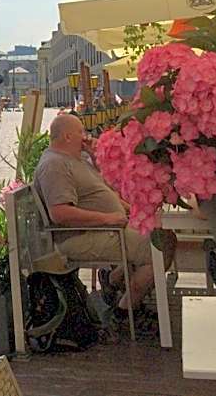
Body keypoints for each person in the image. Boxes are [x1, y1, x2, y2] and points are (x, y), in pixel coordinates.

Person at [34, 114, 174, 323]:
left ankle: (114, 280)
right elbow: (60, 213)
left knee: (163, 236)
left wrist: (96, 157)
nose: (86, 136)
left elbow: (104, 187)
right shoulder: (55, 165)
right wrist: (108, 219)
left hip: (108, 228)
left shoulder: (77, 159)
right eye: (81, 132)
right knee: (160, 245)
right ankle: (126, 309)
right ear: (68, 136)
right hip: (82, 236)